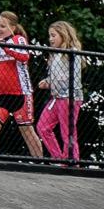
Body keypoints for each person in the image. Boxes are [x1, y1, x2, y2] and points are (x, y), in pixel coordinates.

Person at [0, 11, 45, 157]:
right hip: (2, 95)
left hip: (21, 94)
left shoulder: (18, 39)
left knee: (27, 131)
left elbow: (24, 56)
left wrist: (5, 47)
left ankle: (39, 161)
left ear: (13, 27)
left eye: (3, 26)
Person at [35, 21, 87, 162]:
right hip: (57, 97)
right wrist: (48, 81)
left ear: (63, 35)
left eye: (53, 35)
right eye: (49, 36)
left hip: (70, 97)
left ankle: (72, 162)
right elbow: (56, 75)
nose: (50, 39)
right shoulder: (55, 54)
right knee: (43, 127)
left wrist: (53, 82)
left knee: (67, 132)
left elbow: (73, 77)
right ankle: (59, 159)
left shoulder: (72, 52)